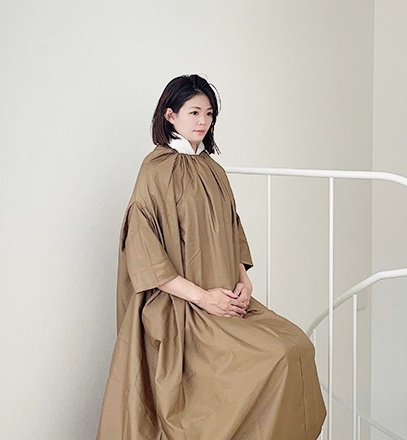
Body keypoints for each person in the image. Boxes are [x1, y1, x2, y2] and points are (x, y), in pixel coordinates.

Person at [96, 74, 326, 440]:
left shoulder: (213, 169)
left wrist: (243, 279)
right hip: (181, 305)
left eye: (209, 113)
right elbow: (144, 253)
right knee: (274, 356)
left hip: (227, 298)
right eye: (194, 112)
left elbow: (230, 230)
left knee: (297, 346)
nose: (203, 121)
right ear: (170, 115)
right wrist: (204, 298)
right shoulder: (155, 171)